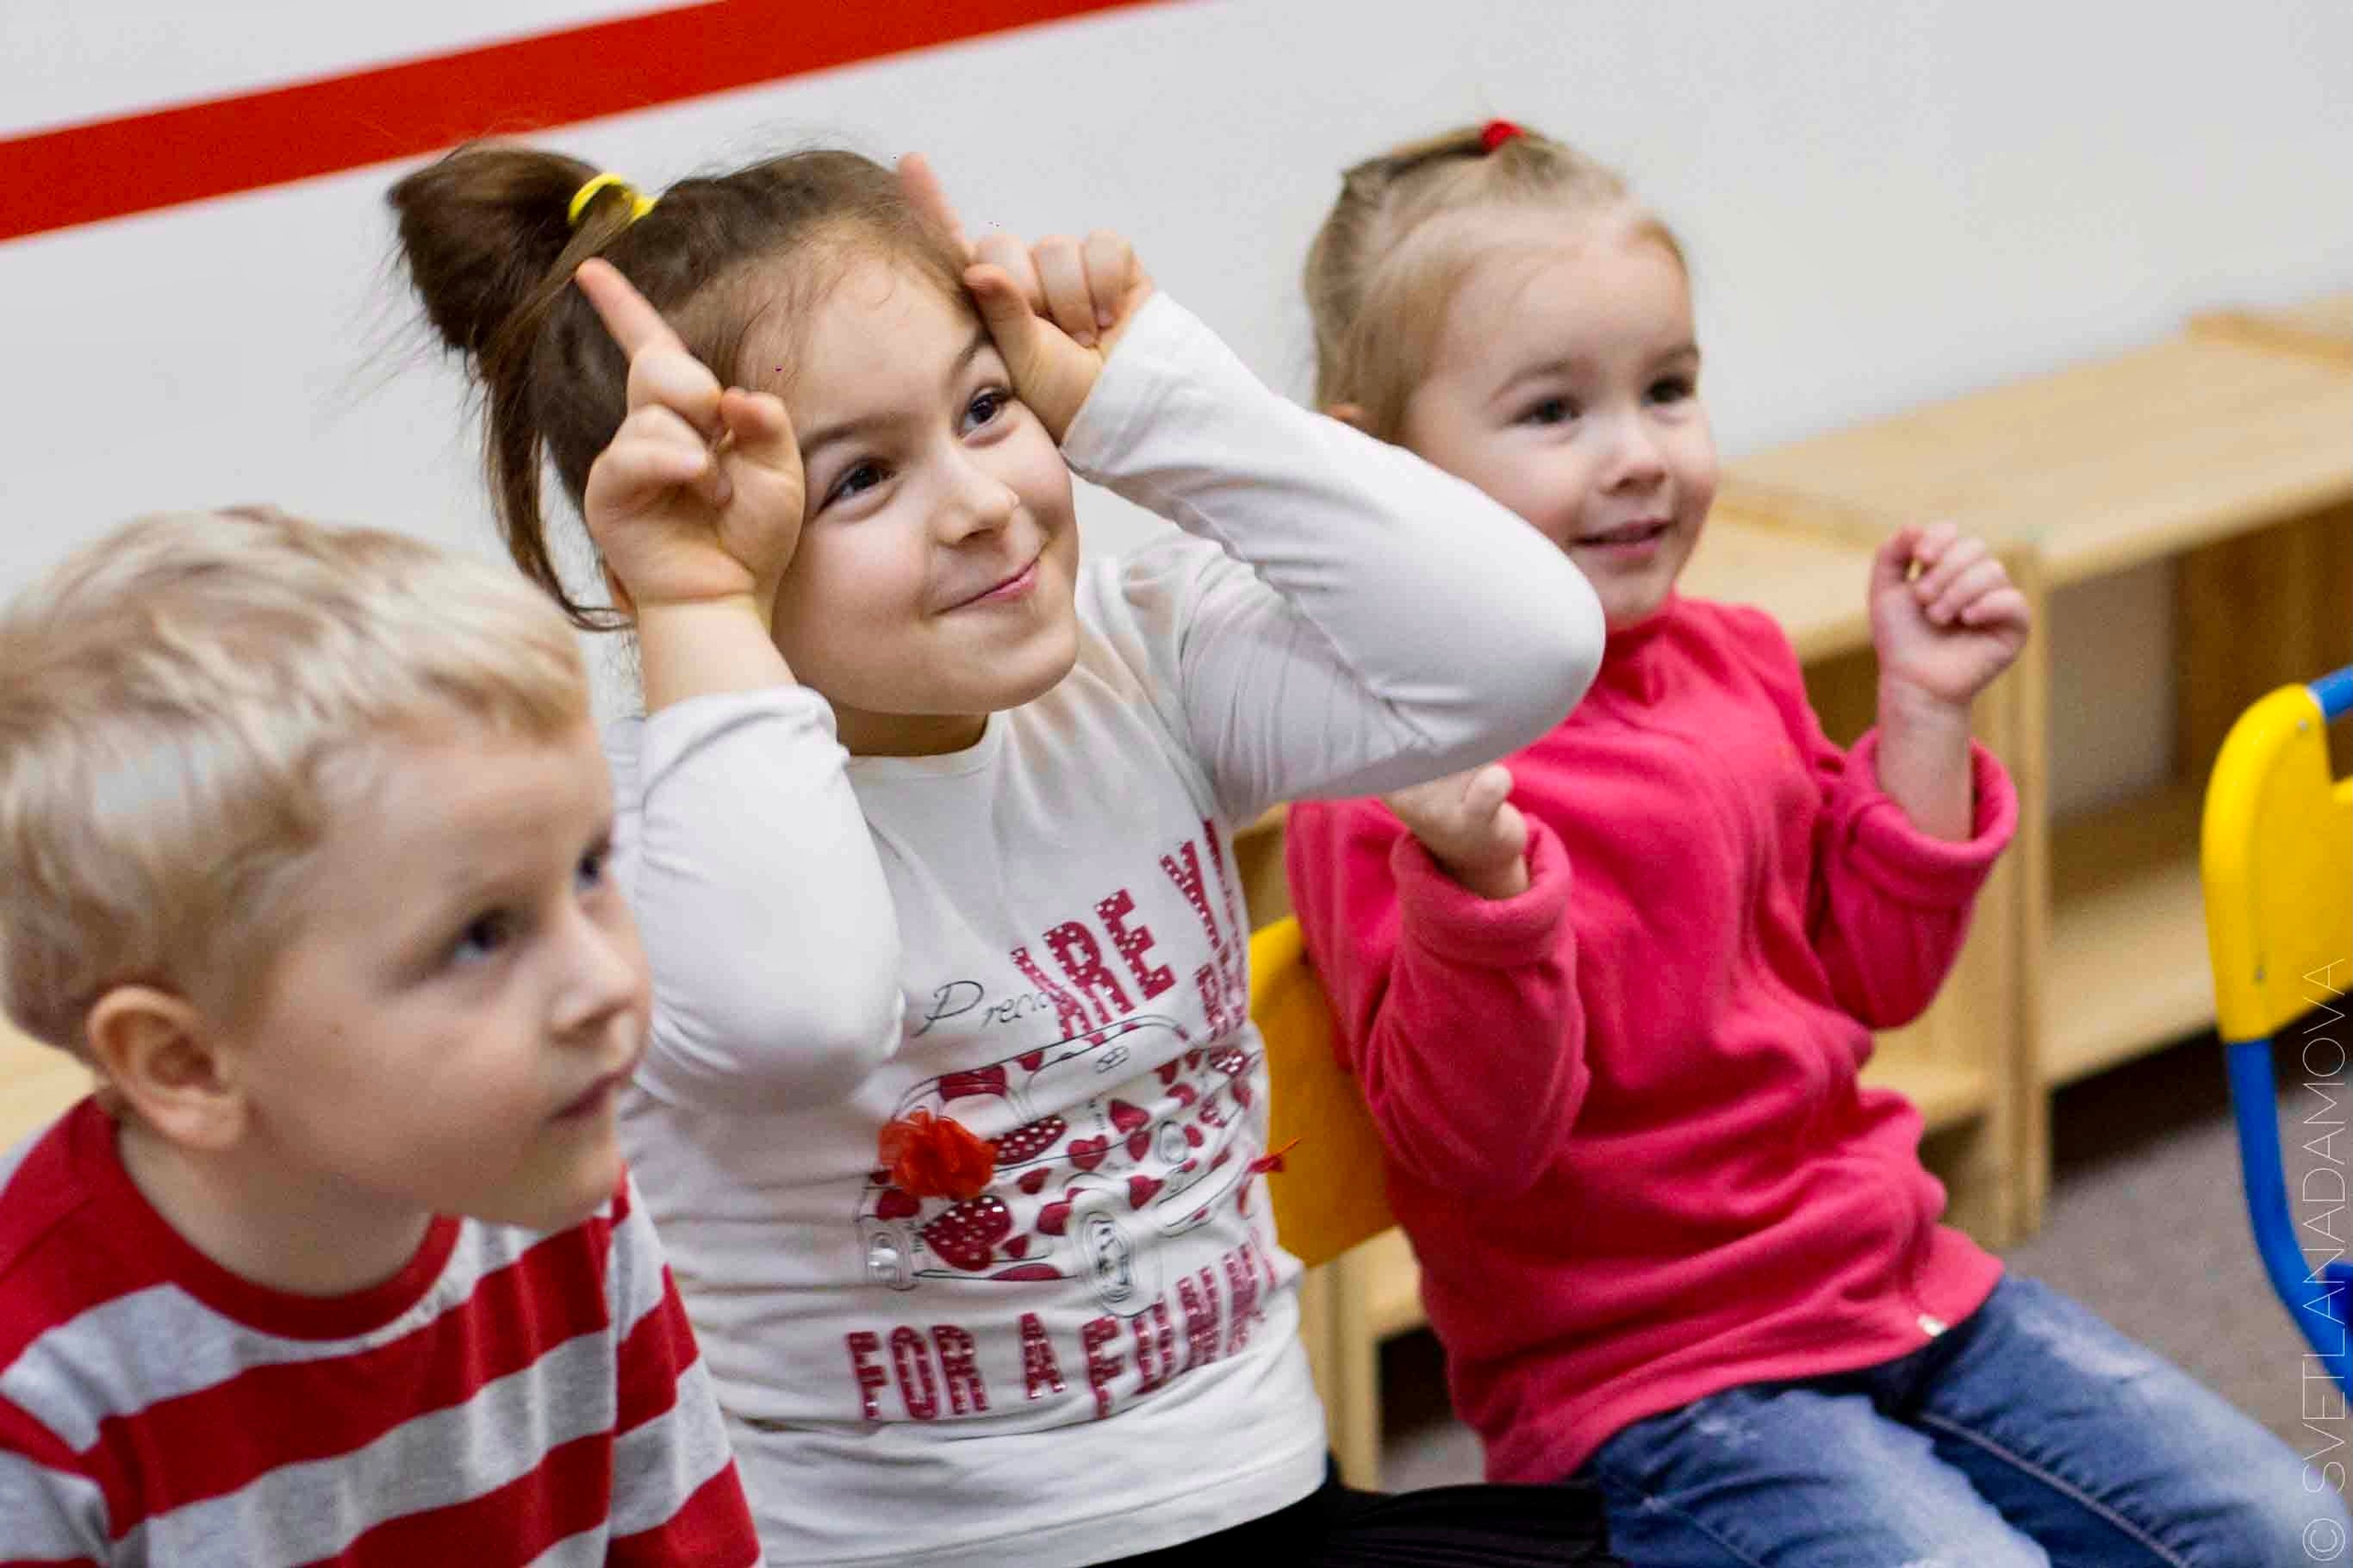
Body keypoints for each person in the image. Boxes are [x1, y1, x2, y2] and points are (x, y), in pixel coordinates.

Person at [389, 141, 1625, 1565]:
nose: (977, 501)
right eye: (856, 480)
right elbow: (798, 1018)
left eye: (986, 405)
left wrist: (1161, 402)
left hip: (1268, 1501)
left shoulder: (1135, 659)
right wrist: (697, 606)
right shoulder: (638, 841)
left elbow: (1522, 651)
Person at [1284, 118, 2350, 1566]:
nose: (1640, 456)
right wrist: (1479, 882)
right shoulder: (1393, 775)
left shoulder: (1731, 659)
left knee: (2287, 1527)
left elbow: (1873, 975)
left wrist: (1919, 711)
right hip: (1652, 1387)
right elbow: (1477, 1147)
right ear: (1375, 473)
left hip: (1897, 1281)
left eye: (1669, 390)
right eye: (1554, 412)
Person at [0, 506, 759, 1565]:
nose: (600, 978)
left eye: (589, 868)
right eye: (481, 933)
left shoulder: (550, 1186)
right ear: (186, 1062)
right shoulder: (36, 1392)